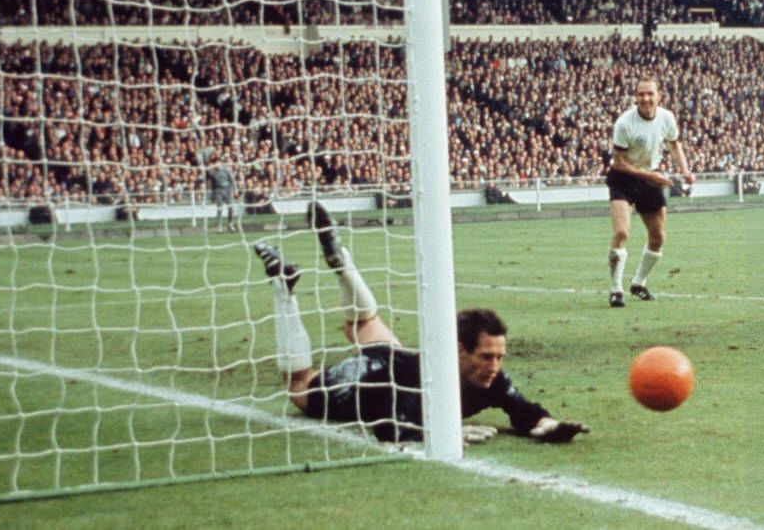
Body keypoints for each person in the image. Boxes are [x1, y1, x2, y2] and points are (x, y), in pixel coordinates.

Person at [250, 202, 589, 444]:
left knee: (364, 321)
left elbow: (523, 409)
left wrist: (547, 424)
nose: (494, 365)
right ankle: (284, 289)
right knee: (298, 384)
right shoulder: (418, 383)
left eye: (499, 356)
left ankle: (344, 264)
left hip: (392, 356)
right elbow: (389, 428)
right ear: (459, 350)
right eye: (487, 356)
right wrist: (445, 434)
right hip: (361, 383)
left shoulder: (489, 378)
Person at [604, 77, 694, 308]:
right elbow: (618, 163)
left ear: (658, 96)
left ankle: (639, 283)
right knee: (622, 232)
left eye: (649, 94)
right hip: (624, 179)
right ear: (635, 97)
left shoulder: (667, 118)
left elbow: (675, 144)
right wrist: (650, 176)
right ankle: (616, 290)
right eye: (641, 94)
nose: (645, 98)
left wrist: (684, 170)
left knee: (658, 237)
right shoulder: (625, 123)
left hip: (650, 177)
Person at [206, 154, 238, 232]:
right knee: (220, 209)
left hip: (228, 190)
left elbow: (232, 181)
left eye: (217, 162)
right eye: (215, 163)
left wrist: (235, 190)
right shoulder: (213, 173)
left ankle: (230, 224)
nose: (216, 164)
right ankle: (219, 226)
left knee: (231, 208)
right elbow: (213, 186)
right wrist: (212, 197)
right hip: (218, 191)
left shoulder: (227, 170)